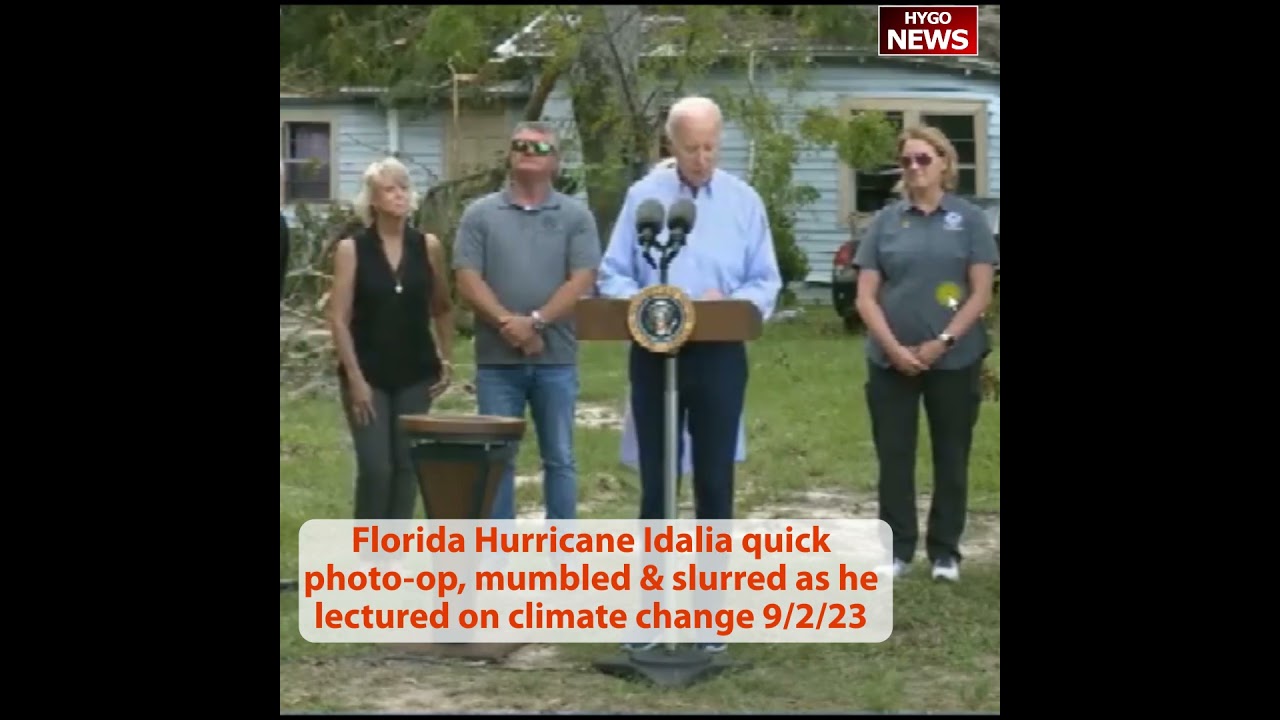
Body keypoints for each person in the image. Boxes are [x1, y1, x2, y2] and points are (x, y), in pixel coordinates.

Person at [598, 96, 781, 653]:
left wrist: (726, 301)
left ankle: (709, 619)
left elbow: (765, 282)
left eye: (710, 147)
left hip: (720, 352)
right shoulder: (643, 198)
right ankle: (650, 616)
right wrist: (649, 304)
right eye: (690, 148)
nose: (701, 158)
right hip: (655, 353)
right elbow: (612, 275)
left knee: (714, 484)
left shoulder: (743, 201)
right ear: (670, 145)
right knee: (658, 486)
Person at [852, 125, 999, 583]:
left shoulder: (969, 220)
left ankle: (945, 553)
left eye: (923, 159)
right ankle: (897, 550)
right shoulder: (886, 222)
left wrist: (944, 342)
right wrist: (894, 347)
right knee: (894, 456)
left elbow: (980, 293)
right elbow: (865, 296)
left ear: (944, 164)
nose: (914, 168)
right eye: (907, 161)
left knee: (951, 454)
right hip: (890, 361)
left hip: (954, 359)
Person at [452, 122, 601, 522]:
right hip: (497, 363)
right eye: (519, 145)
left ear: (555, 161)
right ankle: (499, 560)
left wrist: (536, 323)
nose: (527, 152)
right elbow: (467, 277)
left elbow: (583, 278)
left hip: (557, 359)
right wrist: (509, 324)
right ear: (509, 154)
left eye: (538, 147)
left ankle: (562, 558)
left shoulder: (575, 215)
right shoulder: (480, 214)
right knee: (498, 459)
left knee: (560, 458)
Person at [327, 157, 455, 520]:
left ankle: (392, 558)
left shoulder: (427, 246)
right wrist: (355, 380)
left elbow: (443, 307)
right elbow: (338, 318)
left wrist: (446, 359)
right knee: (376, 468)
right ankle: (367, 557)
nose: (399, 195)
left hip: (415, 372)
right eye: (389, 189)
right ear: (373, 200)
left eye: (403, 187)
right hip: (367, 374)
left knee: (406, 466)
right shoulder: (352, 249)